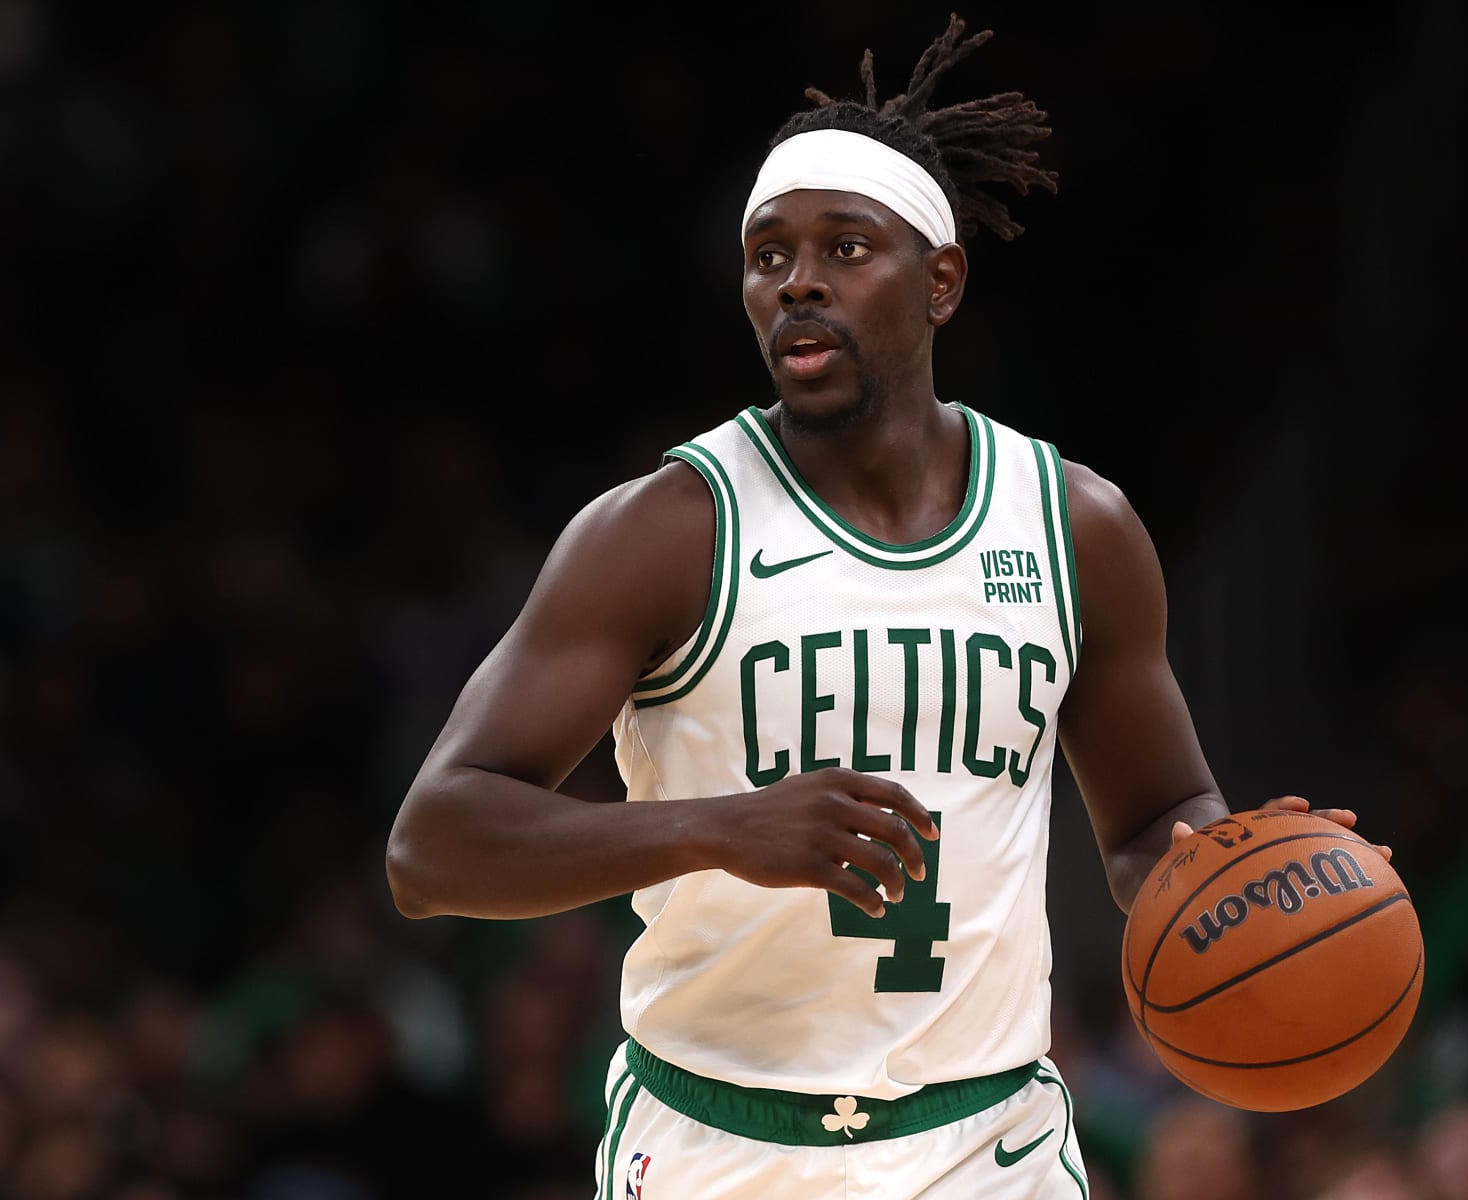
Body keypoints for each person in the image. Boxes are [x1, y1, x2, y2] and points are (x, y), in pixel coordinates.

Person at [385, 14, 1387, 1198]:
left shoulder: (1077, 528)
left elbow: (1148, 816)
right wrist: (716, 827)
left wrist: (1226, 861)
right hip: (721, 1145)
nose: (798, 279)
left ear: (942, 282)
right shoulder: (663, 531)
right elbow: (430, 846)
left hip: (987, 1145)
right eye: (769, 255)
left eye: (846, 248)